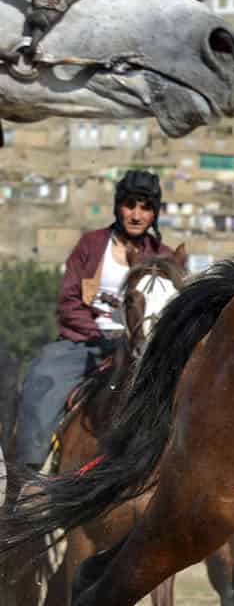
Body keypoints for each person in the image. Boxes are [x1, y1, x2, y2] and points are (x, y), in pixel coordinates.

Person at [14, 170, 164, 469]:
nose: (136, 215)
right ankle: (28, 472)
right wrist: (96, 333)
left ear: (154, 213)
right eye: (130, 205)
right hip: (85, 344)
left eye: (145, 207)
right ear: (118, 207)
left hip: (144, 349)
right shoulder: (91, 245)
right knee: (42, 384)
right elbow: (69, 301)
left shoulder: (164, 257)